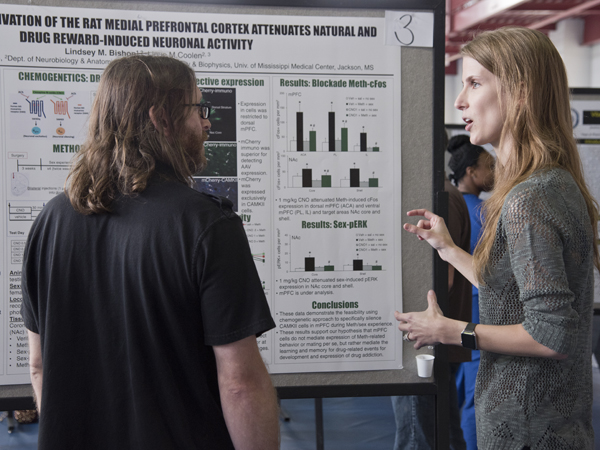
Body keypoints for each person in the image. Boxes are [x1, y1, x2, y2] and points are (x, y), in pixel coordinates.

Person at [20, 55, 279, 450]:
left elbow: (39, 366)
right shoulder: (206, 225)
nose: (207, 123)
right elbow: (240, 384)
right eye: (198, 109)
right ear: (162, 118)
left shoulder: (49, 222)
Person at [397, 27, 599, 450]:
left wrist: (453, 331)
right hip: (545, 424)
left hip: (527, 429)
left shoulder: (530, 198)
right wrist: (449, 250)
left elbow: (551, 335)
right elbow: (512, 294)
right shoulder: (549, 183)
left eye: (475, 83)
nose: (460, 101)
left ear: (520, 92)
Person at [391, 166, 471, 450]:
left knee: (418, 435)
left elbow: (439, 282)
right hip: (433, 336)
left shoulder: (440, 198)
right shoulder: (446, 193)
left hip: (425, 337)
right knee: (444, 430)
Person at [447, 134, 495, 450]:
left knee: (463, 389)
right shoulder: (485, 213)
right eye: (488, 166)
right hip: (482, 311)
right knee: (477, 394)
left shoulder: (449, 205)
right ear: (470, 172)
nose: (494, 173)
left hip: (461, 312)